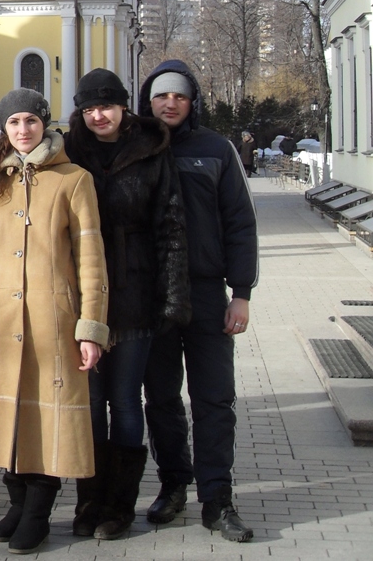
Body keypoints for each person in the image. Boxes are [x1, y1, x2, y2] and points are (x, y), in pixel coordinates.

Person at [0, 88, 109, 554]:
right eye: (14, 121)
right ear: (3, 128)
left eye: (32, 120)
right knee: (5, 418)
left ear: (45, 124)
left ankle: (38, 514)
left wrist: (90, 327)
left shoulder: (74, 180)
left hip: (52, 322)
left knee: (47, 420)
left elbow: (91, 259)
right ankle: (16, 505)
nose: (24, 129)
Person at [63, 69, 191, 540]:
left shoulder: (151, 149)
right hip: (84, 298)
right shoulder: (69, 150)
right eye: (91, 107)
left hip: (136, 294)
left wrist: (173, 299)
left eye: (108, 106)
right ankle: (89, 500)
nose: (99, 116)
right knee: (91, 404)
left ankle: (119, 506)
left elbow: (171, 227)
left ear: (123, 108)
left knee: (125, 401)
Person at [139, 61, 258, 543]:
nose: (170, 104)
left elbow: (240, 224)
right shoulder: (138, 147)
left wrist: (242, 293)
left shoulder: (216, 150)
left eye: (180, 97)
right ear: (148, 100)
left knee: (214, 400)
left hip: (208, 294)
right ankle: (172, 485)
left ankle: (218, 498)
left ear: (193, 102)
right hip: (153, 296)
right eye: (161, 96)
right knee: (162, 399)